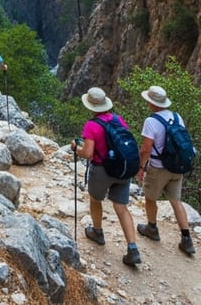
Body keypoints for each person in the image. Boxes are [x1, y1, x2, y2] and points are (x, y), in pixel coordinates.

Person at [70, 87, 142, 267]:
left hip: (102, 170)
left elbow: (88, 153)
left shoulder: (91, 125)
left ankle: (97, 232)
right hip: (122, 168)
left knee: (95, 199)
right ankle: (132, 248)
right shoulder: (118, 119)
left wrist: (75, 148)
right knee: (122, 208)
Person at [136, 84, 196, 256]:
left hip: (158, 168)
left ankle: (152, 228)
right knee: (176, 201)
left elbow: (146, 148)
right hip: (178, 167)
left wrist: (140, 167)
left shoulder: (151, 121)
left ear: (151, 103)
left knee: (150, 198)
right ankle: (186, 239)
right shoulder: (177, 117)